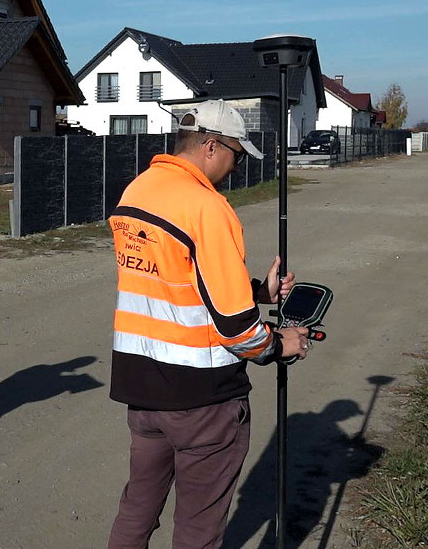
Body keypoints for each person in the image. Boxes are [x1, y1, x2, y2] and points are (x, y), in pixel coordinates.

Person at [107, 99, 311, 548]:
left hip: (142, 389)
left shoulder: (136, 192)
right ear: (212, 146)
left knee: (137, 508)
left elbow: (174, 280)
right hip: (202, 396)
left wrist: (256, 291)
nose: (237, 167)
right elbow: (238, 332)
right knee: (199, 527)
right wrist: (281, 344)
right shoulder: (207, 207)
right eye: (238, 156)